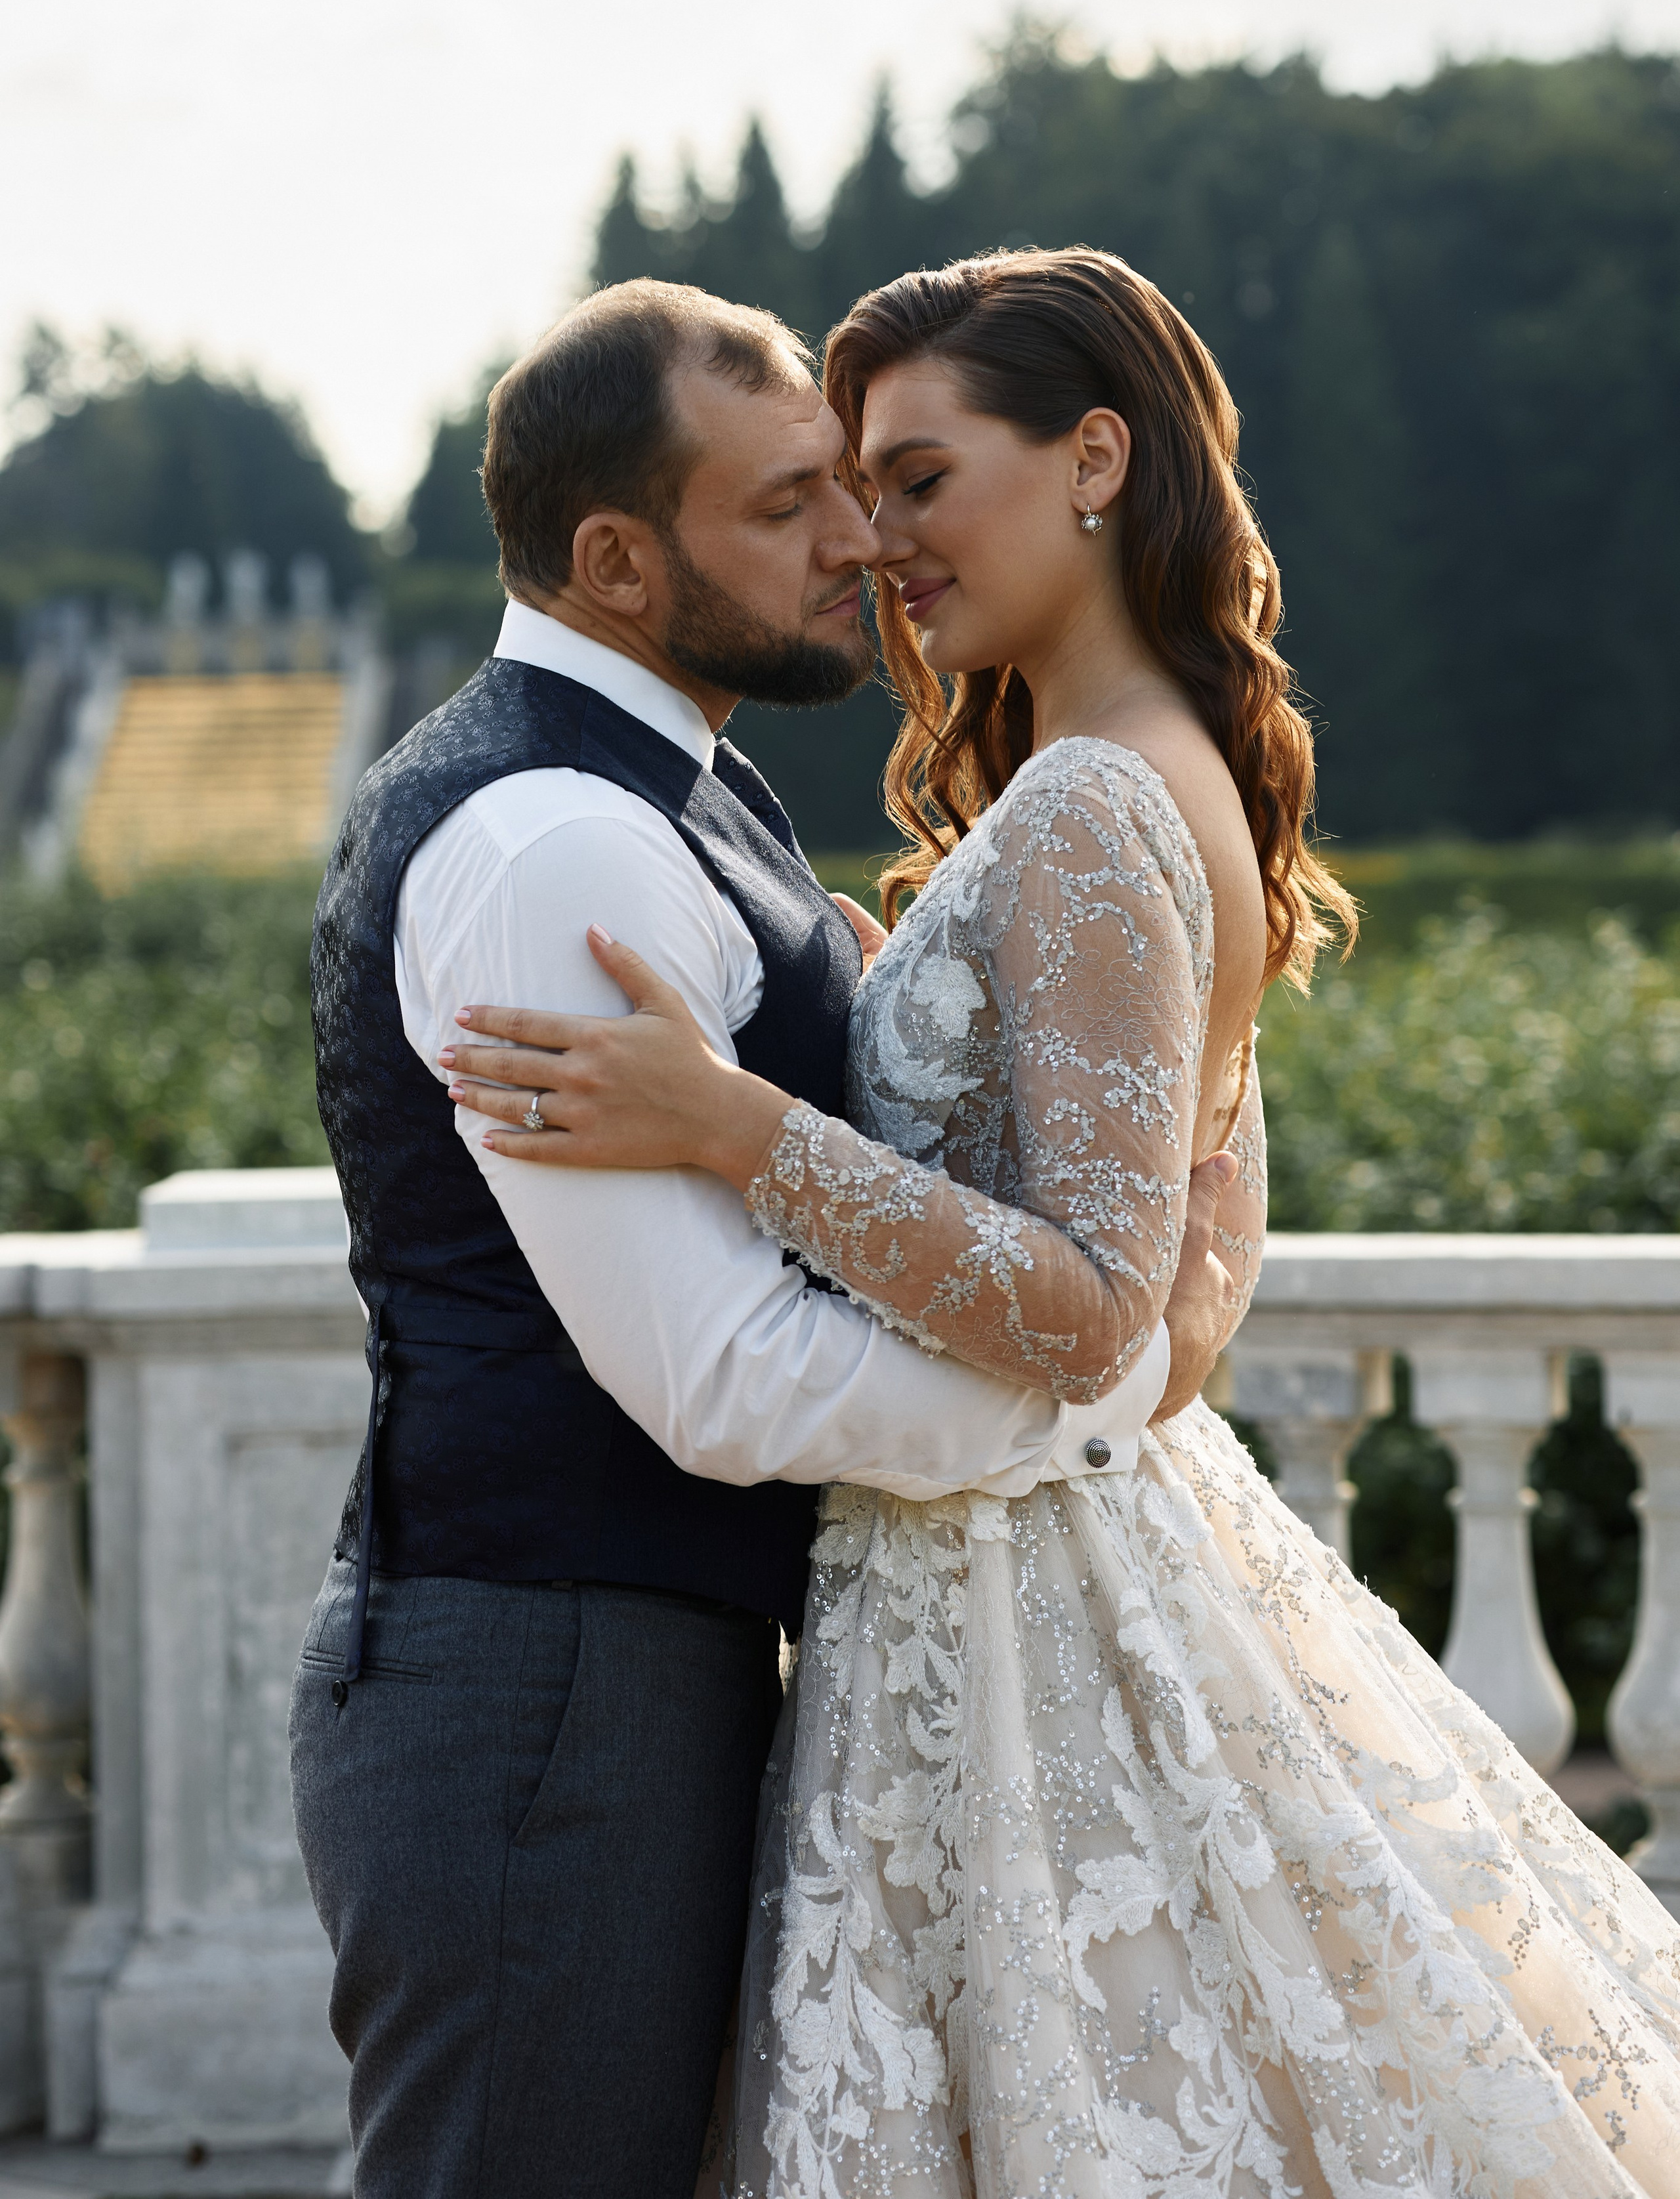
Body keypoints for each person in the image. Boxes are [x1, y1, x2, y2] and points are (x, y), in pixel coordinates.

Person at [446, 247, 1680, 2197]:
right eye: (851, 487)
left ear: (1094, 457)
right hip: (1032, 1560)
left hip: (1015, 1620)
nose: (877, 537)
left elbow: (1101, 1306)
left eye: (921, 478)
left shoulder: (1099, 802)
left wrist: (742, 1123)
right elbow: (1198, 1277)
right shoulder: (1135, 774)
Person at [289, 275, 1242, 2199]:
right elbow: (723, 1375)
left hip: (650, 1663)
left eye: (873, 484)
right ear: (623, 562)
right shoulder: (556, 840)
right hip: (545, 1689)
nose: (860, 544)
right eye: (792, 504)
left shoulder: (694, 796)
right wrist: (1093, 1392)